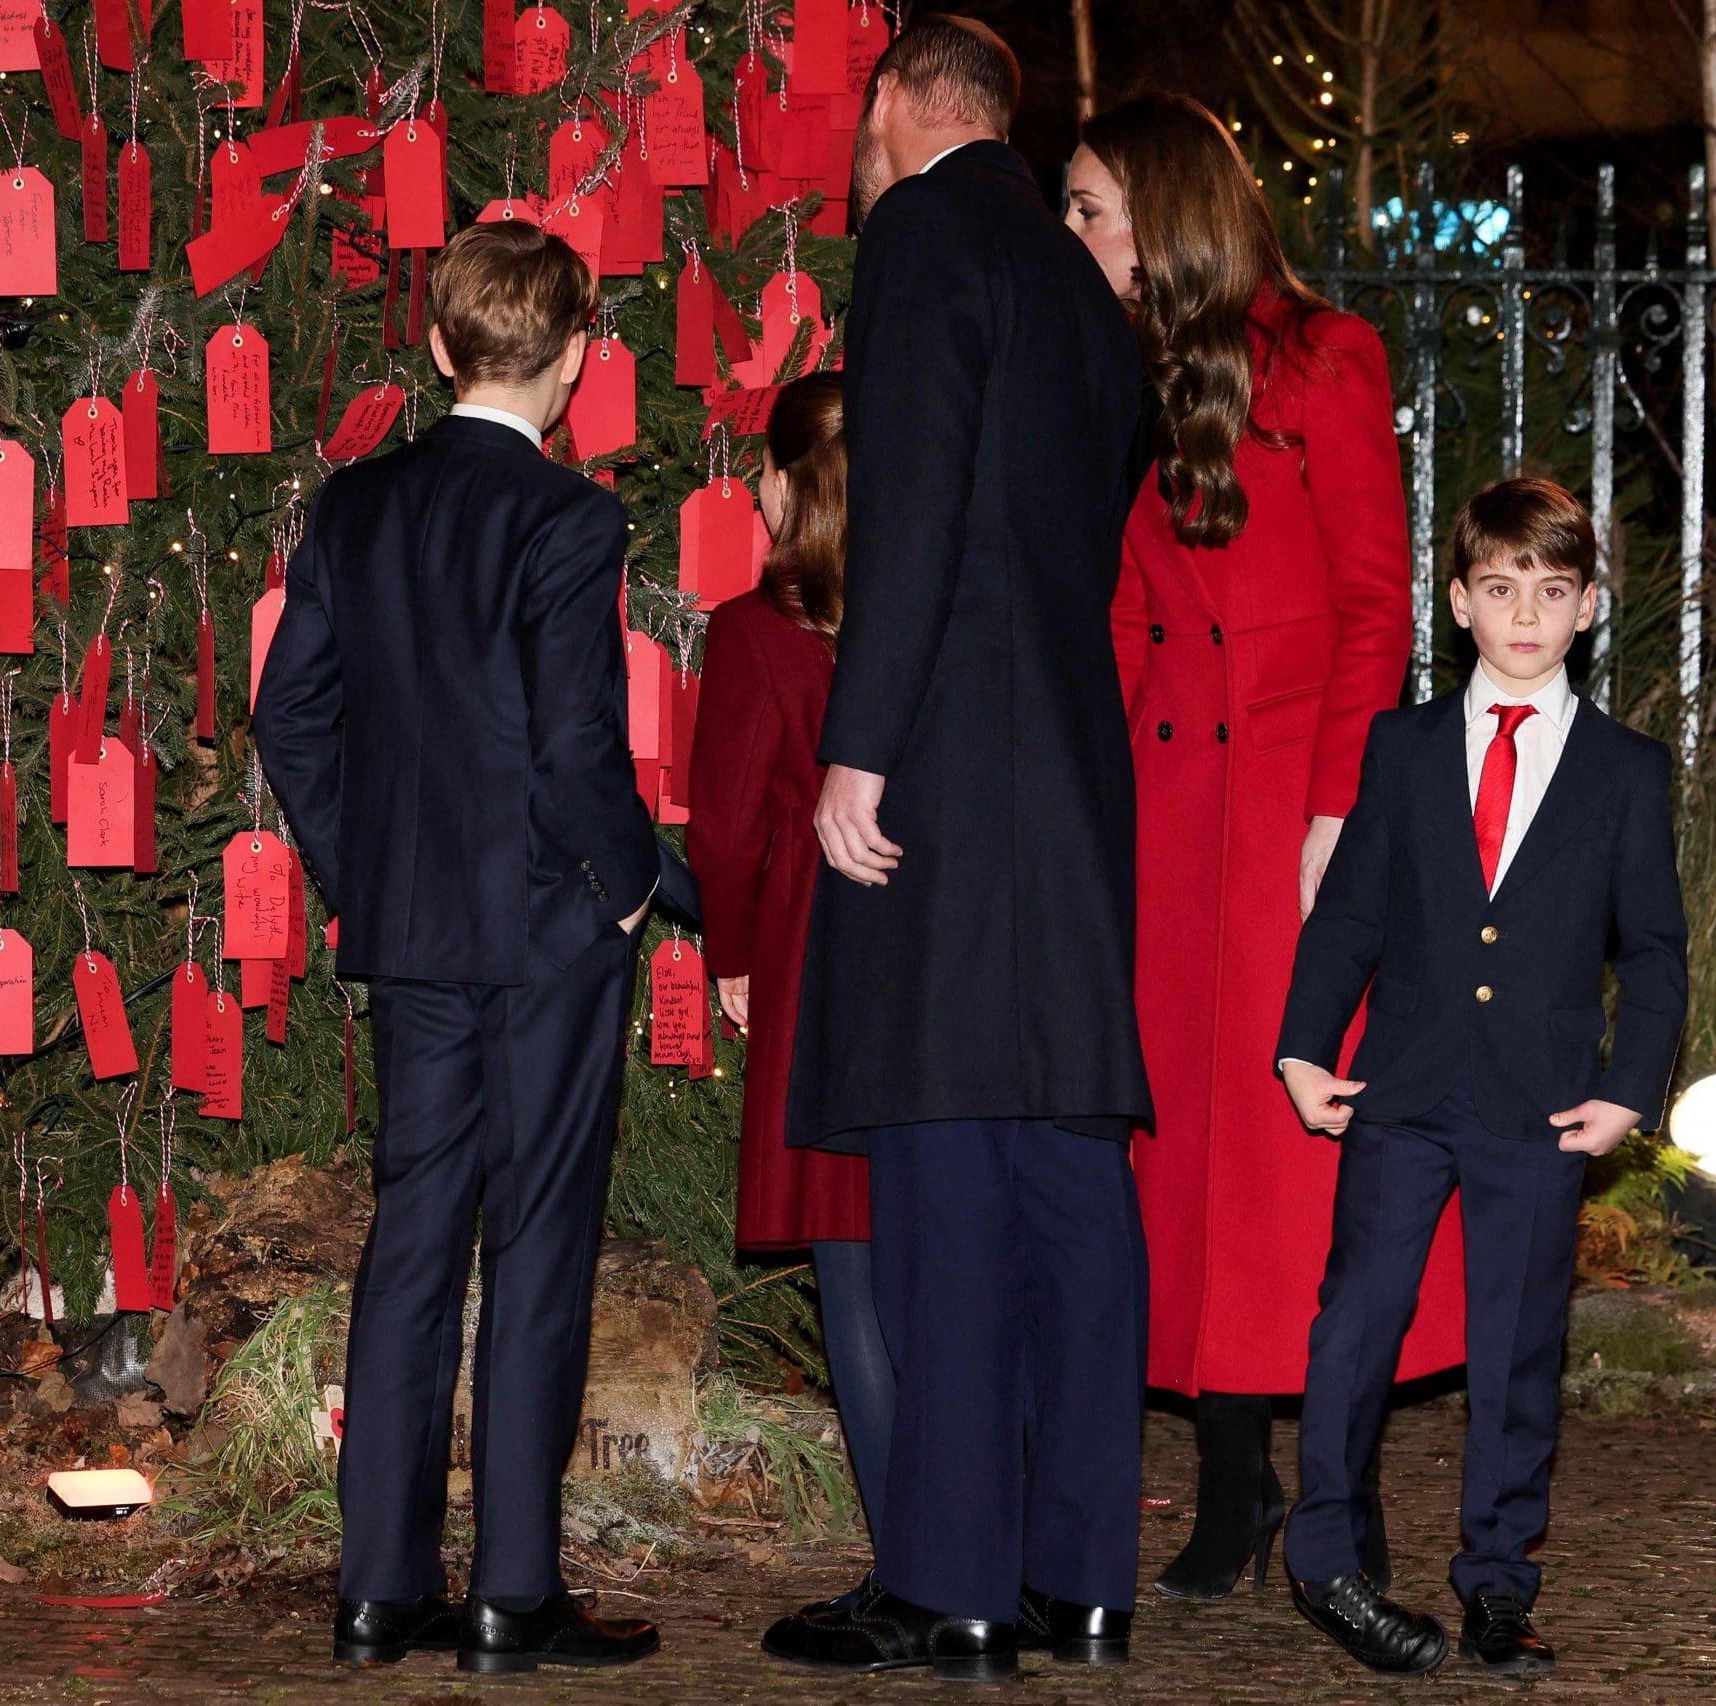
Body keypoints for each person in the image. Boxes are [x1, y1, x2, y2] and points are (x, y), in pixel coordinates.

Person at [759, 16, 1152, 1684]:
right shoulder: (1082, 281)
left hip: (948, 773)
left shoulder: (923, 231)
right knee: (1066, 1172)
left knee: (939, 1175)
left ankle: (950, 1580)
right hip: (1070, 775)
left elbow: (908, 500)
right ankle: (1079, 1577)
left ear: (906, 107)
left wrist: (862, 745)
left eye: (860, 120)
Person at [256, 220, 696, 1676]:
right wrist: (632, 887)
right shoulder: (569, 520)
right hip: (551, 928)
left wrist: (359, 867)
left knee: (413, 1241)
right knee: (541, 1245)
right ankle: (512, 1590)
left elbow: (288, 718)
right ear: (574, 360)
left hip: (418, 931)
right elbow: (577, 749)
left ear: (439, 347)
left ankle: (380, 1587)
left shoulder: (358, 505)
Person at [1065, 92, 1462, 1603]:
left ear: (1167, 208)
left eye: (1096, 203)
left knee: (1298, 1157)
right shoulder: (1119, 367)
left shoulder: (1326, 355)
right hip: (1169, 816)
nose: (1079, 231)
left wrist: (1341, 817)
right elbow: (1112, 606)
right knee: (1189, 1157)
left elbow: (1377, 601)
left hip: (1296, 807)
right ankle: (1234, 1479)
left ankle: (1328, 1492)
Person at [1273, 478, 1688, 1679]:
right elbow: (1349, 914)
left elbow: (1655, 945)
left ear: (1586, 608)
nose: (1525, 614)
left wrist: (1629, 1085)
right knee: (1354, 1321)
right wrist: (1304, 1045)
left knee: (1516, 1346)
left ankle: (1499, 1581)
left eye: (1551, 592)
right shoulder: (1398, 746)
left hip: (1542, 1103)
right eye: (1500, 589)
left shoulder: (1624, 768)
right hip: (1398, 1086)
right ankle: (1327, 1552)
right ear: (1458, 603)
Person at [683, 373, 895, 1549]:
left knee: (849, 1255)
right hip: (930, 938)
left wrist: (735, 954)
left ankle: (901, 1542)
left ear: (783, 483)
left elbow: (724, 824)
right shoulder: (935, 611)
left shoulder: (754, 629)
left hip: (816, 944)